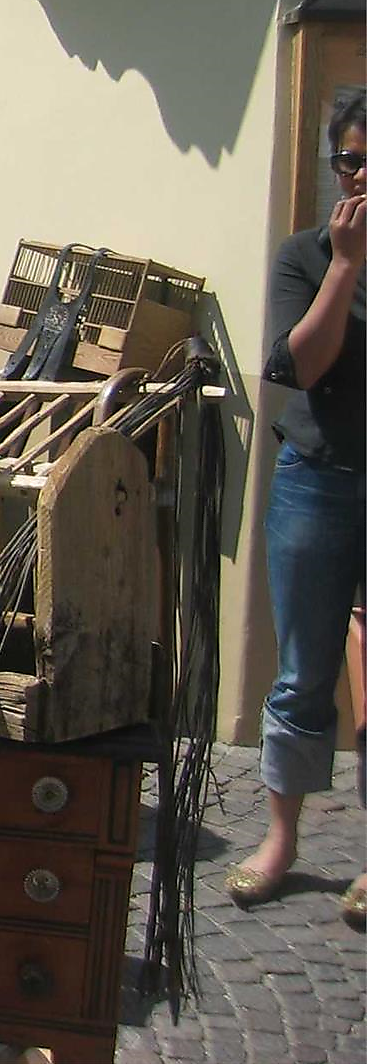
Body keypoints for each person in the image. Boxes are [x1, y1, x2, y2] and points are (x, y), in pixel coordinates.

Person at [226, 88, 366, 931]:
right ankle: (282, 842)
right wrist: (346, 266)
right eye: (349, 160)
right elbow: (298, 368)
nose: (361, 175)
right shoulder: (304, 257)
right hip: (317, 478)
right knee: (302, 671)